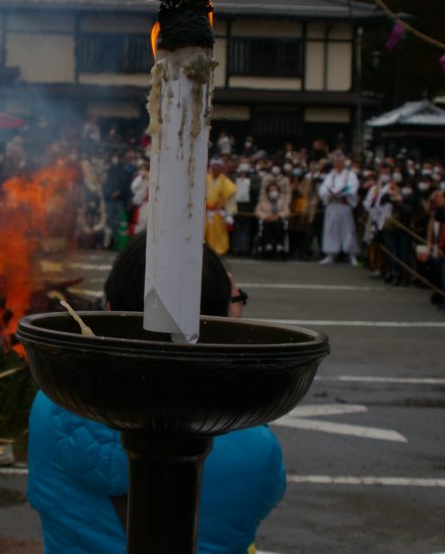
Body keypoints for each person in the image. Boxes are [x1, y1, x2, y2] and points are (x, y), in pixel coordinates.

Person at [27, 233, 284, 554]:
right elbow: (263, 495)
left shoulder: (50, 402)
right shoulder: (253, 446)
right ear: (218, 325)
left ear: (109, 308)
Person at [318, 151, 359, 265]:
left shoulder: (350, 175)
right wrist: (328, 193)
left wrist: (340, 192)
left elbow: (352, 188)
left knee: (348, 229)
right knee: (331, 229)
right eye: (336, 161)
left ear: (344, 162)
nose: (338, 163)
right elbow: (323, 189)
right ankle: (331, 254)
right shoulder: (331, 175)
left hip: (343, 204)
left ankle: (352, 254)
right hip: (332, 204)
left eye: (340, 161)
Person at [205, 157, 238, 256]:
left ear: (221, 169)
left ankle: (217, 251)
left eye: (217, 168)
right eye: (213, 167)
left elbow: (230, 200)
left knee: (218, 235)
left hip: (217, 213)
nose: (214, 170)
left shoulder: (226, 182)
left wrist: (229, 214)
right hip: (204, 212)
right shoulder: (205, 178)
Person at [255, 182, 290, 258]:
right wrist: (266, 216)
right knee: (267, 224)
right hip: (267, 220)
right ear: (268, 192)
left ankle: (279, 245)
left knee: (279, 224)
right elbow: (257, 211)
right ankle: (268, 245)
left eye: (275, 190)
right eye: (271, 190)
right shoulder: (263, 201)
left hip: (278, 219)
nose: (273, 192)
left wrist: (278, 216)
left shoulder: (282, 200)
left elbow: (287, 211)